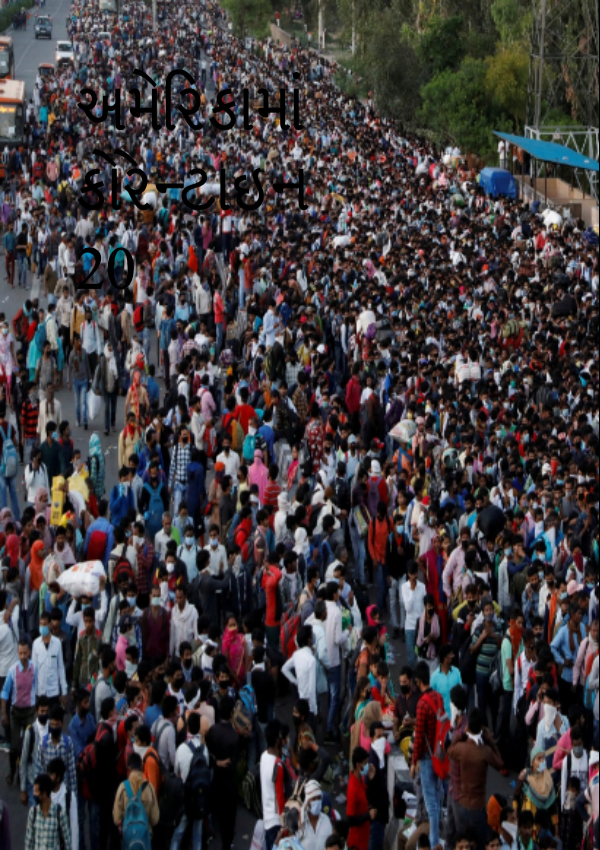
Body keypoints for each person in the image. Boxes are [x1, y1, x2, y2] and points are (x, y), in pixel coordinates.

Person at [24, 772, 71, 850]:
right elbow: (29, 842)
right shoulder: (33, 812)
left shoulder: (60, 813)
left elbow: (67, 842)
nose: (34, 794)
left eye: (36, 791)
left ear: (44, 794)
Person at [347, 745, 377, 850]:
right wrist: (368, 815)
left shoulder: (360, 780)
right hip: (357, 842)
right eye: (365, 763)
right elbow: (350, 820)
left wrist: (371, 779)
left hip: (364, 838)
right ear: (358, 765)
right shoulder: (353, 788)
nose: (367, 765)